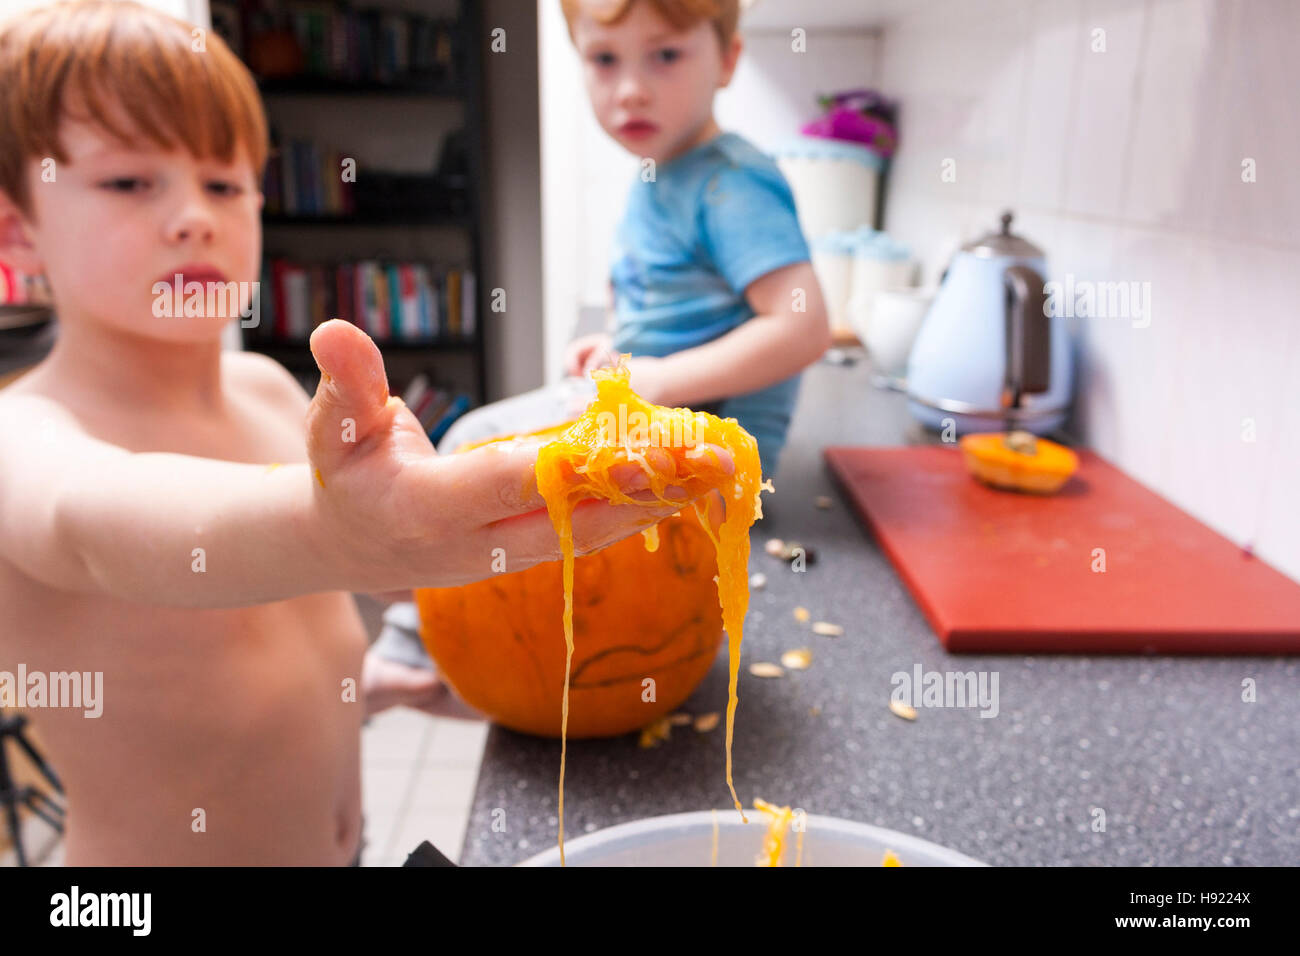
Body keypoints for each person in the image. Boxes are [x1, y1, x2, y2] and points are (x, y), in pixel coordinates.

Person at [0, 0, 726, 865]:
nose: (195, 214)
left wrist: (364, 686)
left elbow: (262, 651)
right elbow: (93, 524)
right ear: (17, 229)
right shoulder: (26, 436)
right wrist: (329, 534)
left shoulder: (268, 390)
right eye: (129, 182)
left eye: (225, 184)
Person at [560, 0, 831, 478]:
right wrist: (620, 349)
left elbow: (804, 327)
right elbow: (682, 313)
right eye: (605, 59)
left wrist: (659, 381)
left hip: (706, 478)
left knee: (477, 454)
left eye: (665, 56)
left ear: (726, 60)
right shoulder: (661, 169)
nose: (631, 91)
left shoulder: (731, 182)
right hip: (656, 440)